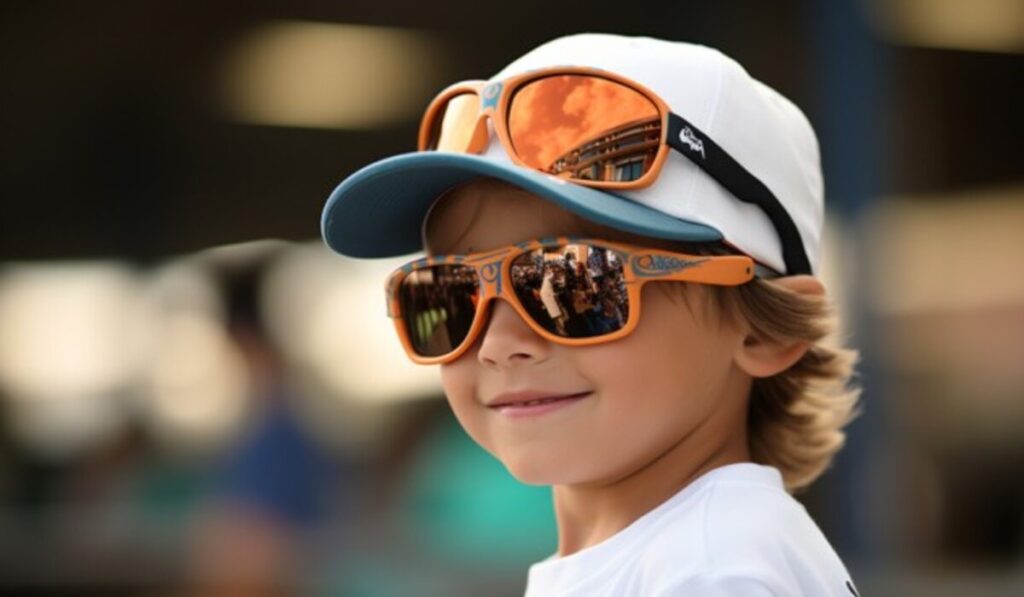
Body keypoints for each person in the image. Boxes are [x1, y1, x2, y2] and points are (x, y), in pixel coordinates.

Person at [320, 33, 862, 596]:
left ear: (760, 331)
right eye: (450, 294)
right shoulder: (688, 555)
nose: (497, 344)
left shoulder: (712, 573)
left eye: (574, 281)